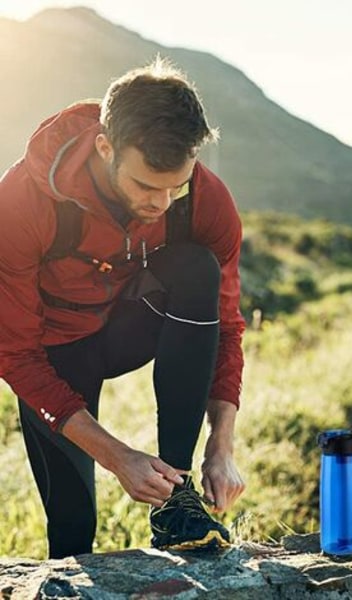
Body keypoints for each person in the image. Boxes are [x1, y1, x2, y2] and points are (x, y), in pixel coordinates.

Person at [0, 57, 247, 559]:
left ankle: (177, 503)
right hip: (54, 349)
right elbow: (15, 355)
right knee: (72, 528)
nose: (161, 203)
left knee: (197, 268)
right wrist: (119, 458)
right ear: (105, 147)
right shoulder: (22, 202)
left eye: (173, 186)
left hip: (129, 325)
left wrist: (221, 445)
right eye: (144, 186)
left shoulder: (205, 202)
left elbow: (227, 326)